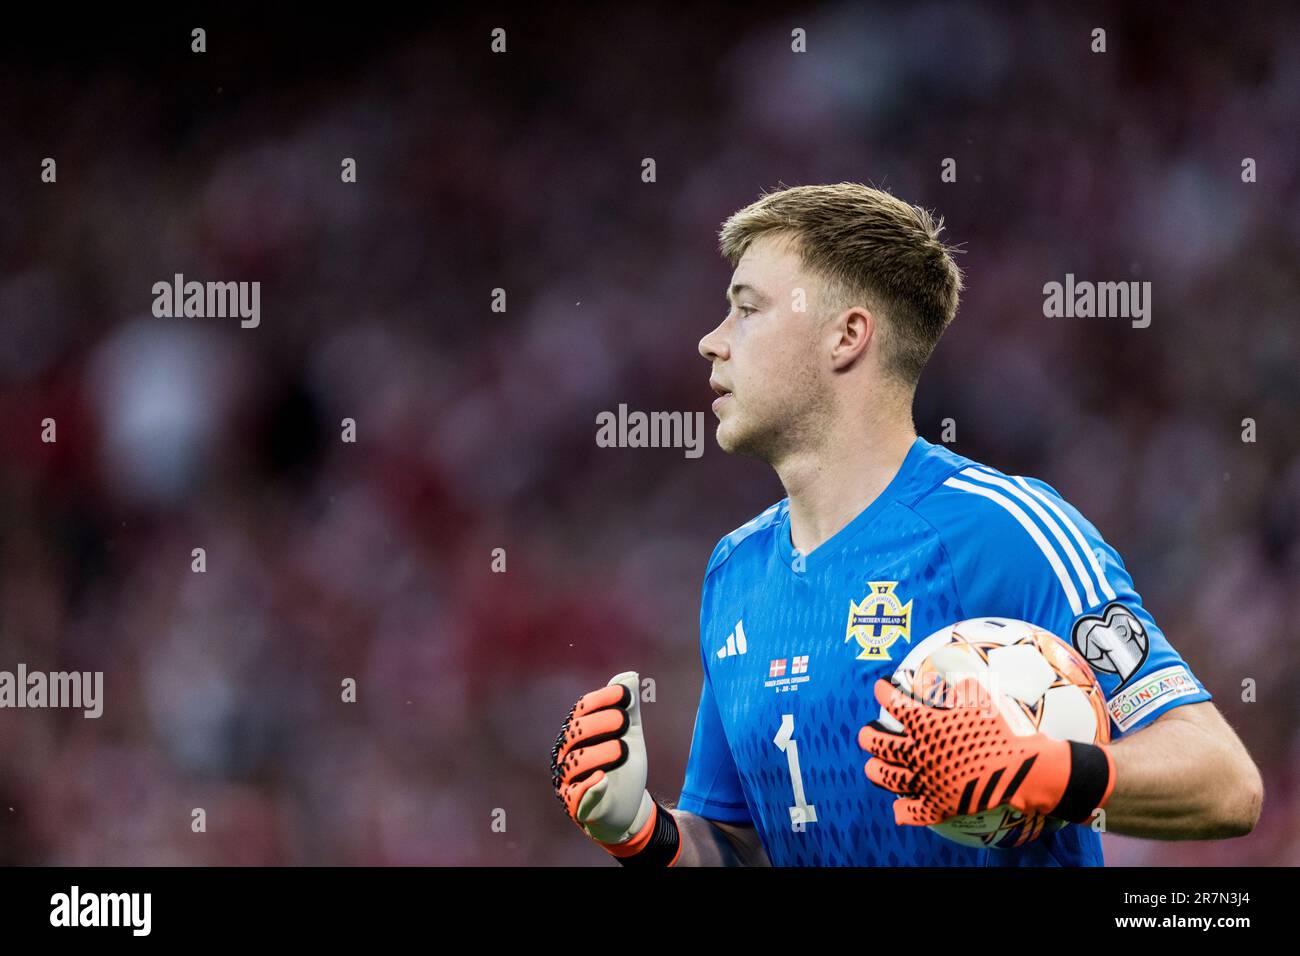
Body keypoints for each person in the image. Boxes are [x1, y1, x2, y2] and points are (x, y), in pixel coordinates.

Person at [551, 183, 1262, 866]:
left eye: (747, 308)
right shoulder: (736, 570)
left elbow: (1224, 784)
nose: (712, 341)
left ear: (846, 336)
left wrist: (1049, 774)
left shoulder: (1005, 533)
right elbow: (743, 847)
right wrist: (642, 833)